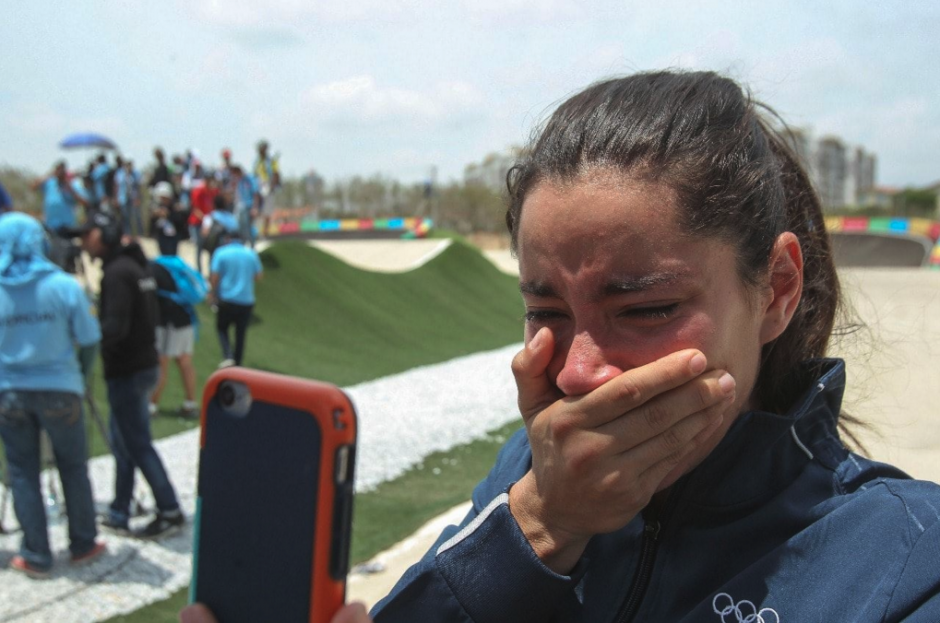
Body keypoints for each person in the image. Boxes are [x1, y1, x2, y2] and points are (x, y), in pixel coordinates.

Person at [183, 70, 940, 622]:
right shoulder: (531, 471)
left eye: (646, 308)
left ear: (775, 289)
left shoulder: (906, 559)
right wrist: (543, 523)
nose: (578, 373)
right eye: (544, 309)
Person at [0, 213, 106, 578]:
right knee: (73, 467)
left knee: (22, 472)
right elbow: (90, 338)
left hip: (10, 392)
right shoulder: (63, 286)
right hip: (61, 387)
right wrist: (81, 375)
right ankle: (83, 543)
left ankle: (36, 554)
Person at [70, 211, 185, 539]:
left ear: (105, 235)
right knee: (125, 444)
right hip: (142, 365)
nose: (83, 243)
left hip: (128, 370)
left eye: (87, 235)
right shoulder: (136, 266)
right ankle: (120, 510)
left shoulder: (117, 273)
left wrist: (83, 335)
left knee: (136, 444)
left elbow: (114, 327)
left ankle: (169, 508)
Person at [148, 255, 200, 419]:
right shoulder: (166, 266)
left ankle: (151, 406)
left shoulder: (151, 269)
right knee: (185, 362)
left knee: (161, 363)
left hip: (168, 324)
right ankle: (190, 404)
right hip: (186, 320)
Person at [208, 212, 262, 368]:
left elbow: (214, 276)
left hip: (227, 298)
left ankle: (227, 355)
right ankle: (238, 364)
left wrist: (212, 293)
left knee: (221, 328)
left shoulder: (221, 252)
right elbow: (258, 276)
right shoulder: (251, 254)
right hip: (246, 300)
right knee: (241, 334)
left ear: (227, 239)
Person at [33, 161, 88, 233]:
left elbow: (85, 202)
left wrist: (70, 189)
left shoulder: (73, 185)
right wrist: (50, 174)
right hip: (49, 226)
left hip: (66, 226)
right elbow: (34, 186)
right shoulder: (50, 183)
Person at [149, 181, 187, 256]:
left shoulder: (175, 207)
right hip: (161, 236)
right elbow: (153, 225)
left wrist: (169, 214)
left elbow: (180, 221)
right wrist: (156, 215)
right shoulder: (157, 208)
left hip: (173, 237)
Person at [253, 140, 280, 239]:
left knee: (267, 211)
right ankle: (255, 232)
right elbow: (254, 174)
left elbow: (276, 173)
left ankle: (265, 233)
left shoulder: (271, 160)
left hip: (268, 186)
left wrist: (272, 186)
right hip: (258, 186)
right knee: (257, 209)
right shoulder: (257, 161)